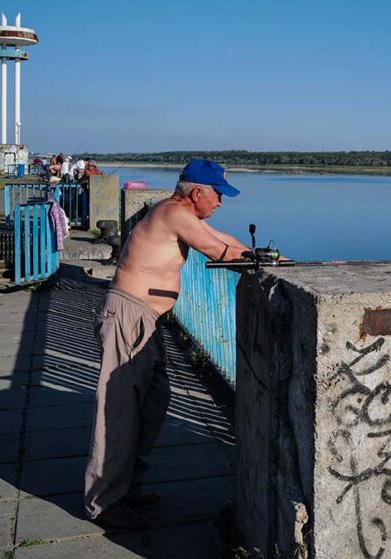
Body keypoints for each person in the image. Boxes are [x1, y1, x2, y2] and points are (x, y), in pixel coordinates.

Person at [83, 159, 255, 529]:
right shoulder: (174, 213)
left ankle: (127, 488)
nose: (221, 202)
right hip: (130, 317)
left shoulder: (178, 213)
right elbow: (218, 250)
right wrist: (259, 261)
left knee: (153, 403)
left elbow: (226, 240)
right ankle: (104, 504)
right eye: (218, 195)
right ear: (198, 193)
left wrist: (281, 261)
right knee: (118, 412)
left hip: (145, 320)